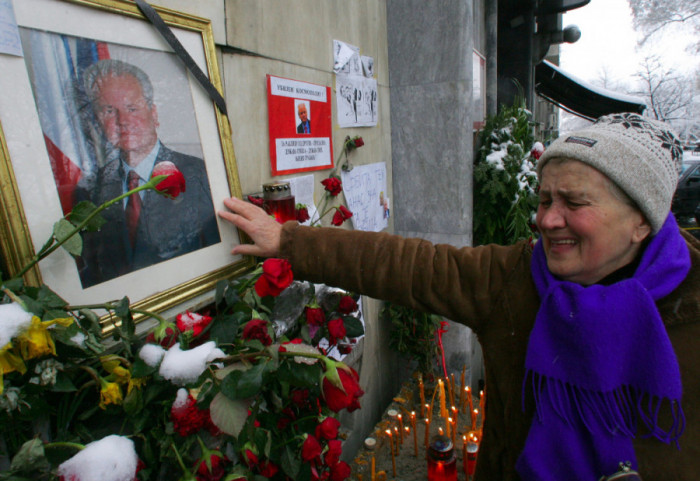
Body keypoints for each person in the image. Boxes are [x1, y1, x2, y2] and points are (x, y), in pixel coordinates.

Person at [219, 113, 699, 480]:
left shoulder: (691, 304)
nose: (548, 220)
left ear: (643, 220)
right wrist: (289, 241)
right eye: (544, 200)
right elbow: (410, 265)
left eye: (573, 203)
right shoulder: (515, 276)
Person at [75, 59, 220, 288]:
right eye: (109, 111)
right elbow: (93, 272)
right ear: (99, 120)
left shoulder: (200, 175)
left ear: (153, 113)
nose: (123, 121)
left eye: (132, 108)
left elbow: (218, 262)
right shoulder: (91, 188)